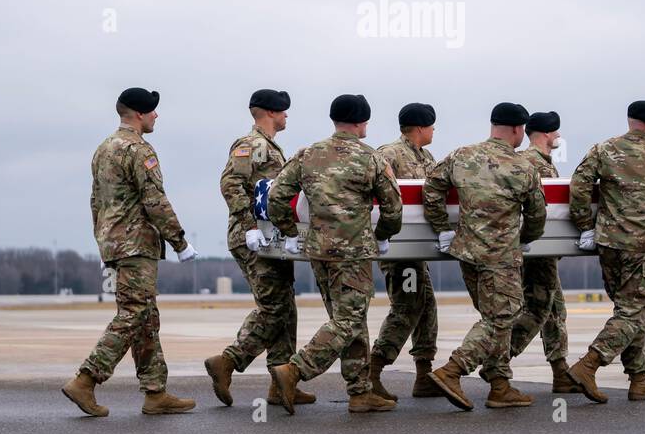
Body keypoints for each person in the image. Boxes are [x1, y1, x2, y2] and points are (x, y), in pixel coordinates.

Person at [62, 88, 196, 417]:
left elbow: (96, 201)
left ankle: (155, 392)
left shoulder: (104, 149)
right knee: (135, 313)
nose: (156, 116)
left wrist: (104, 240)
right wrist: (180, 241)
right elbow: (154, 200)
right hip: (136, 244)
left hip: (115, 242)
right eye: (152, 111)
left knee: (147, 318)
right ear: (138, 114)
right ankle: (86, 379)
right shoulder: (138, 149)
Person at [267, 95, 404, 414]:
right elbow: (393, 207)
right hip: (353, 253)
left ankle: (360, 391)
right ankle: (294, 371)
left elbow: (277, 197)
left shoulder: (307, 154)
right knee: (349, 319)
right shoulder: (370, 158)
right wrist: (382, 235)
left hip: (319, 252)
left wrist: (289, 230)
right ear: (360, 121)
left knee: (347, 320)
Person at [424, 103, 547, 411]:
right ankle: (452, 370)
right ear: (519, 130)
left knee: (495, 320)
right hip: (500, 256)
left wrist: (442, 228)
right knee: (501, 317)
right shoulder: (522, 167)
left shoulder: (461, 155)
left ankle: (500, 385)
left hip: (466, 252)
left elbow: (431, 188)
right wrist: (523, 240)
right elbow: (537, 216)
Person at [566, 99, 645, 403]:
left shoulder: (604, 149)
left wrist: (585, 224)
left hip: (609, 243)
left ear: (630, 120)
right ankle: (588, 365)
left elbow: (579, 185)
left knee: (628, 310)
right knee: (633, 310)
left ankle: (639, 378)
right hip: (642, 245)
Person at [205, 88, 314, 407]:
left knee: (285, 306)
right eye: (283, 110)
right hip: (252, 238)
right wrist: (250, 226)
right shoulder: (249, 145)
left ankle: (280, 383)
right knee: (274, 307)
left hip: (272, 239)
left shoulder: (269, 147)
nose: (286, 115)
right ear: (268, 112)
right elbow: (230, 184)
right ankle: (226, 362)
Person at [368, 102, 441, 401]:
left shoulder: (427, 157)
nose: (435, 131)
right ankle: (373, 370)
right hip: (397, 248)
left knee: (426, 306)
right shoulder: (388, 154)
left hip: (417, 249)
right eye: (433, 126)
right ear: (421, 127)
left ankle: (424, 375)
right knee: (408, 305)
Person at [509, 111, 576, 393]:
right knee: (538, 308)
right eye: (557, 132)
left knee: (554, 309)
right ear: (547, 135)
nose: (559, 137)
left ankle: (560, 372)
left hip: (534, 247)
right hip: (537, 248)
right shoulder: (538, 166)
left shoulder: (525, 161)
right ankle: (494, 358)